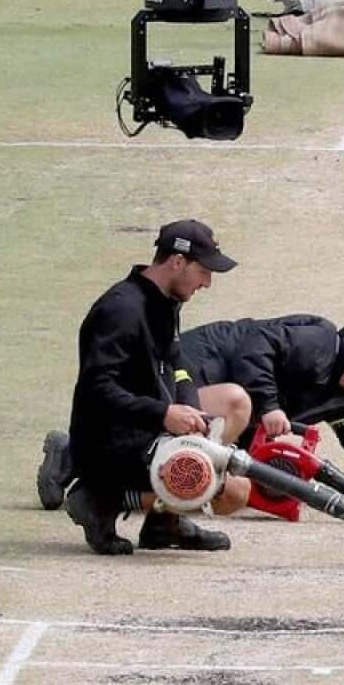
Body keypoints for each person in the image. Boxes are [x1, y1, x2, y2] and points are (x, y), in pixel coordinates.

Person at [57, 219, 254, 555]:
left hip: (149, 429)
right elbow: (97, 389)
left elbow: (180, 365)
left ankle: (163, 524)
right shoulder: (120, 309)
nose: (207, 283)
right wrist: (163, 414)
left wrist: (193, 413)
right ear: (177, 262)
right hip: (112, 444)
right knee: (231, 492)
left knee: (232, 424)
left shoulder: (165, 302)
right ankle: (96, 498)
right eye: (204, 271)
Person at [180, 315, 344, 498]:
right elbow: (254, 349)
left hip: (228, 398)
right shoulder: (317, 342)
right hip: (196, 367)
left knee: (243, 486)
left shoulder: (341, 397)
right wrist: (269, 406)